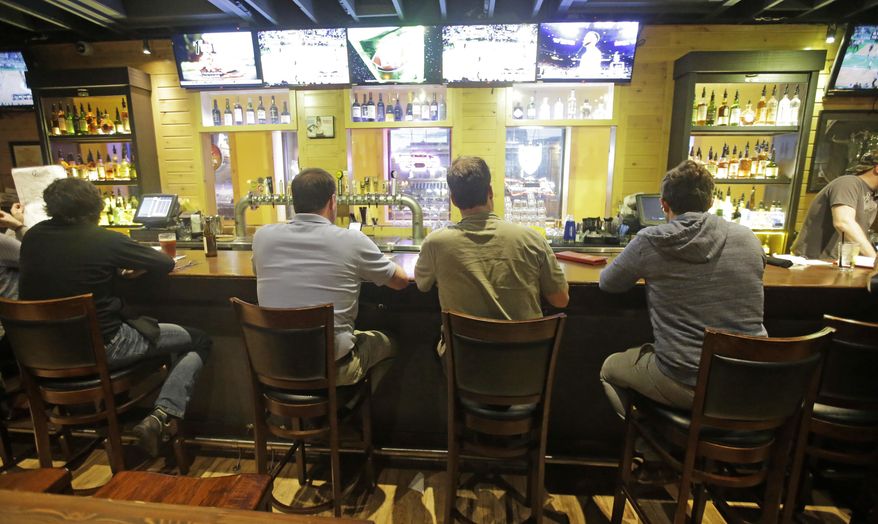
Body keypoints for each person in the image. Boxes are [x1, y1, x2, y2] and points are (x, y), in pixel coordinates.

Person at [18, 178, 210, 457]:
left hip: (43, 355)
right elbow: (164, 262)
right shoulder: (104, 240)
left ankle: (117, 417)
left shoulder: (33, 237)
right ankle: (160, 417)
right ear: (96, 206)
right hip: (105, 348)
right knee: (199, 340)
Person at [599, 160, 767, 422]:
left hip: (686, 382)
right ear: (710, 201)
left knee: (610, 369)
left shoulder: (650, 241)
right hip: (755, 380)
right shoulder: (748, 238)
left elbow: (608, 283)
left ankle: (652, 438)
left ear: (663, 204)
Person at [252, 168, 408, 393]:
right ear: (332, 201)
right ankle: (351, 405)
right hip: (332, 369)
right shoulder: (351, 240)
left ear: (294, 201)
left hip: (275, 364)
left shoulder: (262, 237)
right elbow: (400, 282)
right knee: (390, 342)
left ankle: (308, 409)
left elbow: (257, 271)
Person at [414, 156, 569, 357]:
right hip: (525, 364)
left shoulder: (435, 243)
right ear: (490, 191)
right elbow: (560, 300)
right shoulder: (532, 239)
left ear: (453, 199)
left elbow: (422, 285)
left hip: (464, 364)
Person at [791, 148, 878, 260]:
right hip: (812, 262)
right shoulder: (848, 183)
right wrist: (874, 258)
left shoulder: (873, 194)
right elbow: (843, 222)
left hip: (840, 263)